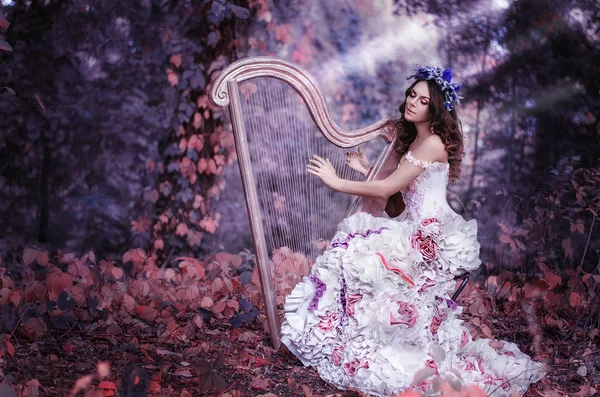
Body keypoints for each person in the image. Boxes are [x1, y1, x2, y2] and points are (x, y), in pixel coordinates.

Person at [280, 66, 546, 396]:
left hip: (432, 237)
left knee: (355, 252)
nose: (413, 102)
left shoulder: (432, 143)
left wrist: (336, 181)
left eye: (423, 100)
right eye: (411, 95)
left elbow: (386, 190)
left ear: (435, 108)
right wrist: (366, 171)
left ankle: (360, 342)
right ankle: (343, 337)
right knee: (352, 252)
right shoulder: (416, 142)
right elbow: (395, 206)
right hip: (413, 229)